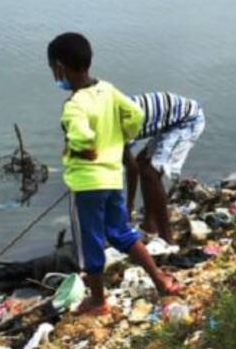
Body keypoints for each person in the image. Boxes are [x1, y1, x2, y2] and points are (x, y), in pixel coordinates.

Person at [48, 33, 181, 311]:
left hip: (86, 184)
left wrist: (84, 147)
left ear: (60, 67)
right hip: (111, 178)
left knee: (89, 242)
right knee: (121, 232)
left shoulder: (73, 106)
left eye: (53, 69)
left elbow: (81, 134)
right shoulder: (107, 90)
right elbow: (135, 114)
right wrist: (122, 137)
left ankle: (98, 300)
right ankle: (160, 280)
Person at [123, 91, 206, 245]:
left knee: (151, 172)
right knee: (144, 163)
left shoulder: (116, 124)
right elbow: (133, 165)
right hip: (170, 121)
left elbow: (131, 168)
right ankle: (149, 225)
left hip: (187, 120)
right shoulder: (107, 115)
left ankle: (167, 239)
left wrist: (129, 206)